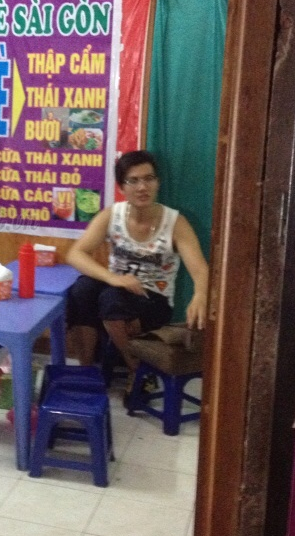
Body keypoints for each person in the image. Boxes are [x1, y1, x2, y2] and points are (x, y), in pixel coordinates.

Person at [66, 150, 209, 386]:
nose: (142, 187)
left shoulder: (175, 222)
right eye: (133, 181)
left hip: (154, 298)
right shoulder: (113, 215)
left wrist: (200, 294)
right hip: (116, 289)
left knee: (111, 299)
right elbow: (75, 253)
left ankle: (137, 368)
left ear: (157, 182)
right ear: (122, 187)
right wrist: (113, 278)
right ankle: (86, 370)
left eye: (148, 178)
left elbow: (200, 268)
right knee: (82, 290)